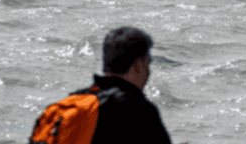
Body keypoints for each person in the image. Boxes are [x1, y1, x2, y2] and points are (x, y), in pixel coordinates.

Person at [30, 26, 172, 144]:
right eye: (148, 63)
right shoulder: (137, 109)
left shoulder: (72, 103)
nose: (148, 71)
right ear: (137, 65)